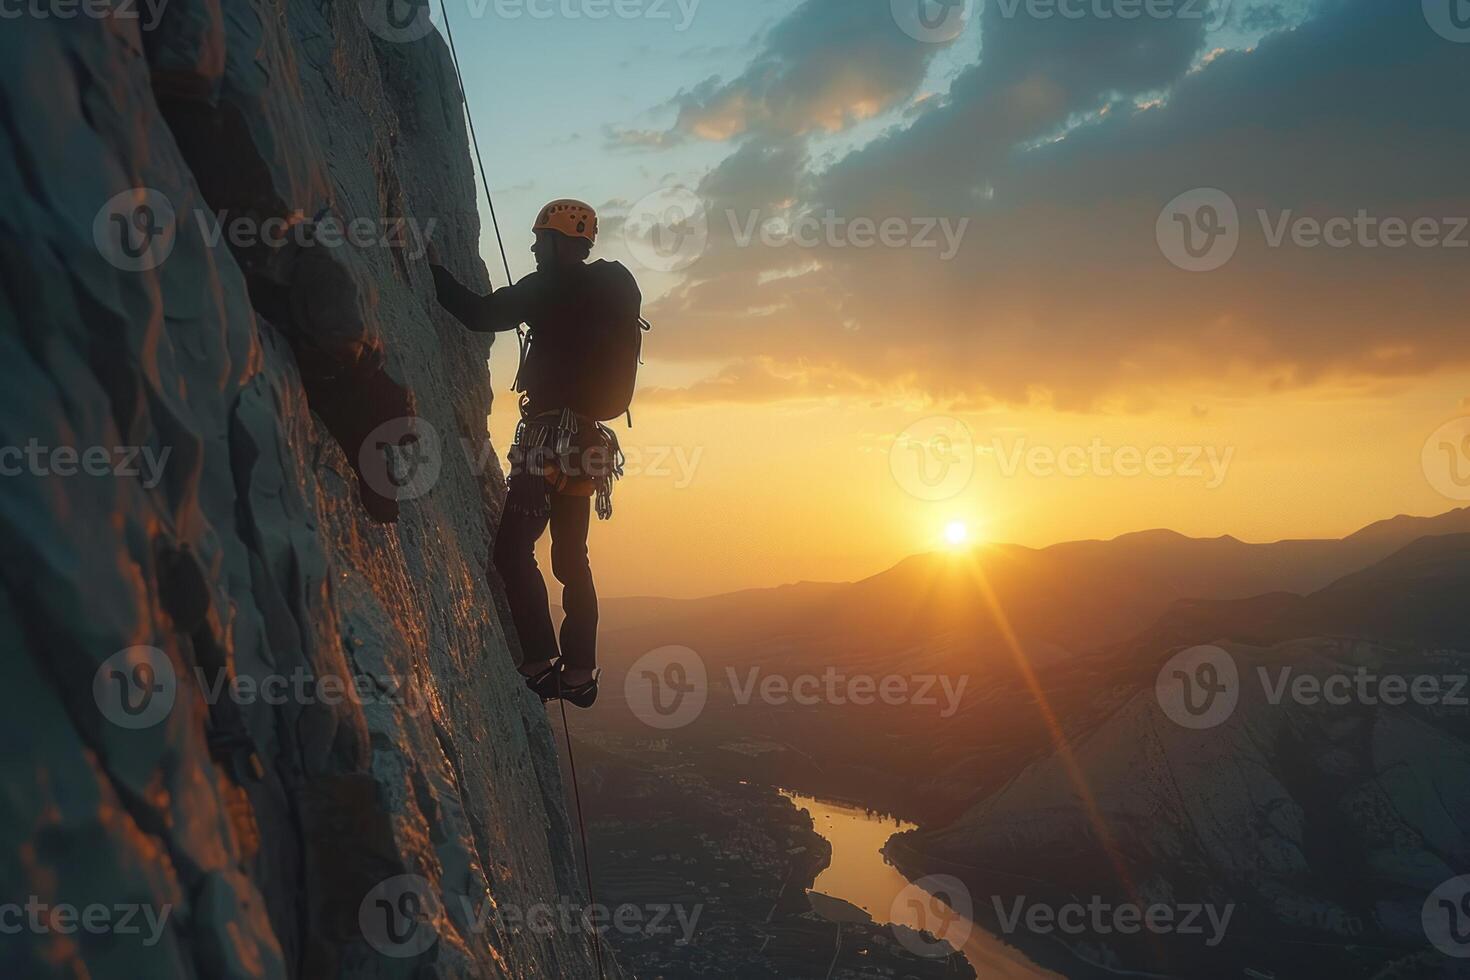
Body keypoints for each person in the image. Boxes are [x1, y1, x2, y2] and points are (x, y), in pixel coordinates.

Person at [429, 200, 642, 708]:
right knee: (572, 559)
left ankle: (539, 659)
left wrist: (428, 268)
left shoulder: (547, 287)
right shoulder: (610, 290)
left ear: (559, 242)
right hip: (587, 446)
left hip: (547, 442)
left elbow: (481, 315)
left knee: (511, 550)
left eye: (539, 238)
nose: (532, 247)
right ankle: (580, 673)